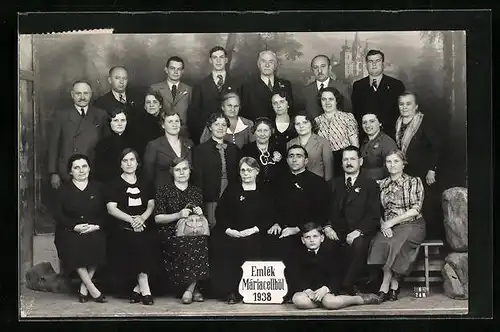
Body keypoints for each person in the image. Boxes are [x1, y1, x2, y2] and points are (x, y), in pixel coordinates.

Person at [265, 145, 330, 300]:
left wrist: (297, 229)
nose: (294, 159)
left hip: (307, 231)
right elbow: (270, 206)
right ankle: (279, 291)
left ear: (306, 160)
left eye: (299, 156)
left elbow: (320, 213)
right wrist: (275, 223)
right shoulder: (278, 181)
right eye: (291, 156)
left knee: (293, 246)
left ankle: (299, 289)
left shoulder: (317, 183)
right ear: (287, 160)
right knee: (269, 242)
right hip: (282, 227)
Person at [210, 157, 276, 304]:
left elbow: (269, 215)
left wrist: (253, 230)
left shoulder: (264, 190)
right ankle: (230, 291)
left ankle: (250, 290)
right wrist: (228, 230)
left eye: (249, 170)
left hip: (255, 231)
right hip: (232, 231)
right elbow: (220, 212)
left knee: (253, 246)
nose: (246, 173)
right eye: (243, 170)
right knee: (224, 245)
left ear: (257, 172)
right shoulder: (232, 189)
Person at [367, 149, 426, 302]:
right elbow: (376, 209)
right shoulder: (381, 184)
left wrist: (391, 223)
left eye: (396, 161)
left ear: (403, 164)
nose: (392, 165)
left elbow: (415, 209)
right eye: (389, 161)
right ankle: (395, 283)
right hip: (388, 225)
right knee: (380, 243)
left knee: (396, 244)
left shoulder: (413, 181)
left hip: (412, 224)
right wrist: (383, 225)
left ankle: (386, 282)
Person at [324, 146, 381, 295]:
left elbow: (373, 215)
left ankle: (346, 285)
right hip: (337, 231)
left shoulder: (370, 185)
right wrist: (328, 226)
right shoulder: (332, 184)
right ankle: (329, 284)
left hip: (361, 231)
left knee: (358, 244)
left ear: (360, 161)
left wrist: (358, 232)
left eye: (352, 159)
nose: (349, 162)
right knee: (327, 245)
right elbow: (325, 210)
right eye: (345, 159)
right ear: (341, 162)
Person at [153, 157, 210, 304]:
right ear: (172, 172)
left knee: (200, 240)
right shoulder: (164, 190)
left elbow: (201, 220)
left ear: (190, 171)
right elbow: (157, 218)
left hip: (193, 231)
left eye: (184, 169)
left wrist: (200, 213)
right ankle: (194, 289)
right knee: (188, 243)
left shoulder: (196, 191)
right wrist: (178, 215)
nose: (182, 173)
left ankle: (189, 290)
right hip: (170, 231)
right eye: (177, 170)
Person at [53, 154, 107, 303]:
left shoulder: (99, 187)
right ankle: (92, 288)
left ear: (89, 168)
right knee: (73, 245)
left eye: (84, 166)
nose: (81, 170)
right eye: (76, 167)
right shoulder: (63, 189)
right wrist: (74, 226)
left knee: (99, 242)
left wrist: (96, 226)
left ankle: (84, 288)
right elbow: (58, 214)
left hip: (93, 228)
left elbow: (105, 211)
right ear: (70, 172)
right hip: (70, 230)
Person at [290, 222, 381, 310]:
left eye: (315, 236)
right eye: (307, 237)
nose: (312, 240)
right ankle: (322, 303)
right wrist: (306, 289)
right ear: (303, 240)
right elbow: (295, 276)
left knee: (331, 302)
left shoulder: (330, 252)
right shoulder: (297, 254)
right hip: (308, 293)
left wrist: (326, 289)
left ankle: (359, 299)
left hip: (326, 291)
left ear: (322, 238)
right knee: (298, 300)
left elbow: (337, 275)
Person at [105, 149, 156, 305]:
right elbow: (111, 208)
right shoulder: (114, 184)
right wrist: (132, 221)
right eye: (125, 160)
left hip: (144, 224)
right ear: (120, 164)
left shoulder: (145, 181)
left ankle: (137, 289)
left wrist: (141, 219)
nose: (129, 163)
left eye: (132, 160)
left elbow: (151, 204)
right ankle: (145, 288)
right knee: (136, 242)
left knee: (150, 242)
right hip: (122, 227)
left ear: (137, 162)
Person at [395, 91, 442, 240]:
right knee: (409, 206)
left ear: (416, 106)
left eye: (408, 104)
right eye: (401, 104)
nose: (405, 107)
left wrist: (432, 170)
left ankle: (431, 240)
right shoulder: (398, 123)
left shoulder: (423, 122)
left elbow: (437, 147)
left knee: (426, 205)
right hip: (406, 172)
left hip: (423, 173)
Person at [48, 80, 108, 189]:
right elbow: (54, 146)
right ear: (72, 95)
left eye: (86, 93)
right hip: (67, 170)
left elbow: (106, 145)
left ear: (91, 94)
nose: (82, 97)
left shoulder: (100, 115)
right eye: (78, 93)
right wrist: (54, 173)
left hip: (92, 169)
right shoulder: (61, 116)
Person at [192, 112, 240, 228]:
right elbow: (198, 179)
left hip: (231, 195)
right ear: (210, 127)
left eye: (223, 124)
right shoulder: (200, 150)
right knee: (213, 227)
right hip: (211, 197)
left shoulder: (234, 149)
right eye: (216, 124)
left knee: (231, 226)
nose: (220, 127)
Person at [188, 46, 242, 144]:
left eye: (221, 57)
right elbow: (195, 114)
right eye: (215, 57)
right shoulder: (200, 85)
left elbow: (242, 110)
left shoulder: (237, 84)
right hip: (208, 135)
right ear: (210, 60)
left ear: (226, 60)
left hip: (232, 134)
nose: (218, 61)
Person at [351, 49, 405, 140]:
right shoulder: (358, 86)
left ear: (383, 64)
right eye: (370, 61)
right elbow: (356, 113)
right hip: (365, 138)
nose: (374, 64)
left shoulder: (396, 85)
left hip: (390, 137)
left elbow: (400, 114)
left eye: (377, 61)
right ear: (366, 65)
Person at [143, 112, 194, 190]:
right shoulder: (154, 145)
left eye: (177, 121)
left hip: (185, 193)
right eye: (170, 122)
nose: (174, 124)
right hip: (162, 194)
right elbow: (148, 175)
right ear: (163, 125)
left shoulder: (189, 143)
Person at [315, 86, 359, 177]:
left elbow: (354, 144)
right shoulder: (316, 121)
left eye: (331, 99)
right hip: (324, 161)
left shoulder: (347, 117)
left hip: (343, 159)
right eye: (324, 99)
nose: (327, 102)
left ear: (336, 101)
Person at [240, 50, 294, 121]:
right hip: (259, 129)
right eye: (263, 61)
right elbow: (244, 115)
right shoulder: (247, 86)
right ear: (258, 64)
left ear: (275, 65)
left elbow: (291, 110)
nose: (267, 65)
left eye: (271, 62)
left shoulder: (286, 85)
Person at [150, 56, 192, 138]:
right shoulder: (155, 89)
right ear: (166, 70)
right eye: (172, 68)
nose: (176, 72)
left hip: (183, 134)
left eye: (179, 69)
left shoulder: (189, 90)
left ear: (182, 71)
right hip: (159, 133)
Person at [301, 54, 352, 119]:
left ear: (330, 68)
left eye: (323, 66)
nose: (319, 71)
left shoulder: (342, 88)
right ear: (312, 70)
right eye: (315, 67)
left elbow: (348, 114)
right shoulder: (305, 91)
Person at [241, 117, 285, 191]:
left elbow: (284, 172)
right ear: (254, 132)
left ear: (271, 132)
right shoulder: (246, 150)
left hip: (277, 190)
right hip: (254, 190)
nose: (262, 134)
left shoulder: (278, 148)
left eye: (266, 130)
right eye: (259, 131)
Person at [287, 112, 333, 182]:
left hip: (317, 185)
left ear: (311, 124)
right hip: (296, 185)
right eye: (298, 124)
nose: (301, 126)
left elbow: (329, 169)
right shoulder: (290, 143)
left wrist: (327, 186)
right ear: (294, 126)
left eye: (305, 122)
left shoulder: (323, 142)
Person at [93, 108, 135, 183]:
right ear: (110, 123)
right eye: (116, 120)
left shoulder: (135, 141)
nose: (120, 124)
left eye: (123, 120)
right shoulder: (102, 144)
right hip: (110, 183)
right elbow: (100, 170)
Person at [128, 90, 167, 159]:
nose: (151, 105)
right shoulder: (137, 124)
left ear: (160, 105)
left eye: (155, 102)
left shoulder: (166, 122)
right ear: (145, 106)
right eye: (148, 102)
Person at [360, 112, 398, 181]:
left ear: (380, 123)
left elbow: (390, 168)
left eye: (372, 121)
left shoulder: (387, 142)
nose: (367, 125)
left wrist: (362, 173)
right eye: (364, 122)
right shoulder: (364, 141)